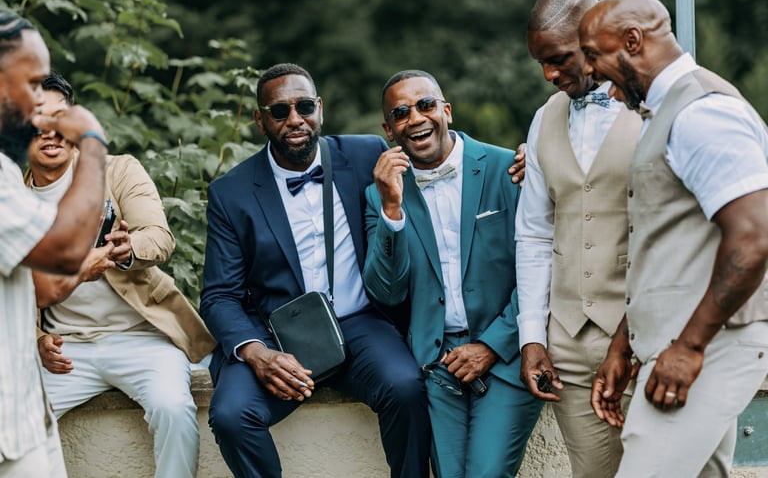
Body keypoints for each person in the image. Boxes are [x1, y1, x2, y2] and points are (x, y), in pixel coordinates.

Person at [200, 62, 431, 478]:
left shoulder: (366, 154)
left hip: (359, 325)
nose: (294, 119)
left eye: (304, 106)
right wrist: (257, 353)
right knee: (232, 416)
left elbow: (437, 153)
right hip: (277, 335)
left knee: (406, 388)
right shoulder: (230, 193)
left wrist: (524, 162)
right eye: (279, 111)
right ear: (260, 120)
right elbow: (219, 296)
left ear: (320, 108)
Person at [579, 0, 768, 477]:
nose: (591, 71)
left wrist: (688, 348)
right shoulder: (664, 114)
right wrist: (625, 344)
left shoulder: (702, 112)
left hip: (711, 347)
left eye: (595, 55)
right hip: (683, 346)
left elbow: (754, 236)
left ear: (633, 41)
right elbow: (667, 250)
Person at [27, 72, 215, 478]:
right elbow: (11, 288)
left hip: (142, 338)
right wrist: (38, 337)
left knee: (174, 409)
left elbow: (159, 237)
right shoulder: (12, 199)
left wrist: (129, 250)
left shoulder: (117, 171)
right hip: (65, 351)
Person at [362, 69, 542, 477]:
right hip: (437, 364)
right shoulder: (379, 195)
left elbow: (539, 268)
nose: (415, 118)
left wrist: (492, 345)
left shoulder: (509, 169)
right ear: (389, 130)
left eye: (425, 105)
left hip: (508, 355)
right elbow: (387, 292)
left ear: (446, 110)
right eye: (401, 113)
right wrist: (392, 210)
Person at [515, 0, 642, 478]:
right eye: (541, 63)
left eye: (558, 59)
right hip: (567, 345)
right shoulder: (543, 119)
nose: (549, 75)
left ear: (594, 39)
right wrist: (533, 337)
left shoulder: (654, 109)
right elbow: (534, 233)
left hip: (646, 336)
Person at [0, 10, 109, 477]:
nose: (39, 101)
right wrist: (92, 138)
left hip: (24, 407)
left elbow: (41, 280)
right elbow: (63, 252)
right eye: (31, 84)